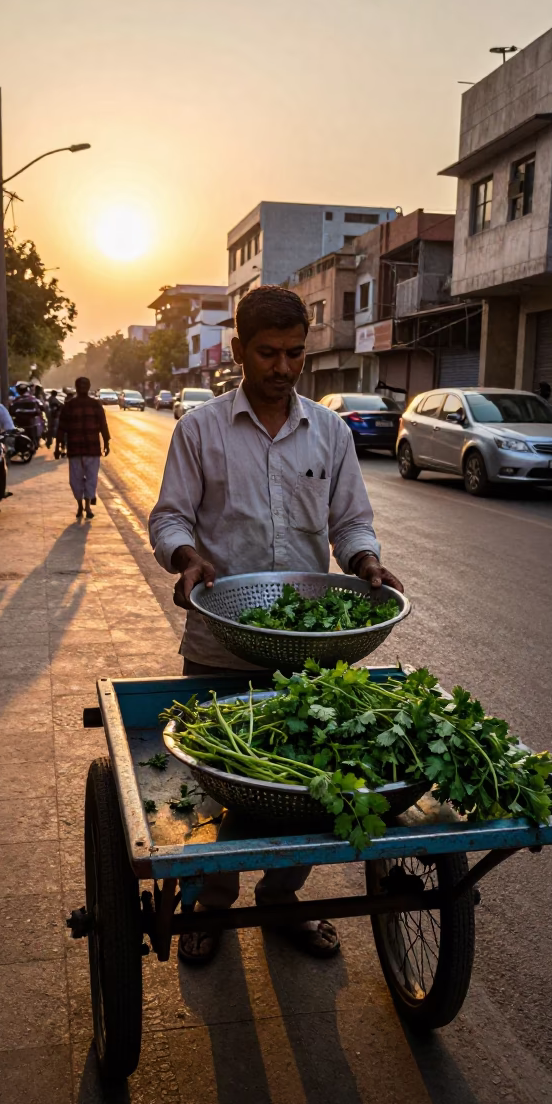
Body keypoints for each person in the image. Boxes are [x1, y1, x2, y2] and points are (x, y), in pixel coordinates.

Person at [149, 285, 404, 966]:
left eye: (295, 353)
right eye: (268, 353)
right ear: (238, 352)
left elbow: (351, 521)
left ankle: (283, 898)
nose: (283, 366)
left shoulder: (329, 432)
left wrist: (367, 559)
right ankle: (210, 905)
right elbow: (169, 516)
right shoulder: (199, 430)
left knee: (304, 785)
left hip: (309, 650)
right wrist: (186, 556)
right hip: (218, 642)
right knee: (214, 781)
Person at [54, 376, 110, 519]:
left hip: (91, 450)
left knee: (90, 478)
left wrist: (106, 443)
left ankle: (87, 507)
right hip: (76, 449)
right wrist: (58, 446)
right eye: (81, 386)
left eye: (85, 386)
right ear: (78, 388)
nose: (83, 388)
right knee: (76, 480)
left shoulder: (95, 405)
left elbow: (103, 426)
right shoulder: (70, 405)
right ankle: (80, 506)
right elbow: (61, 428)